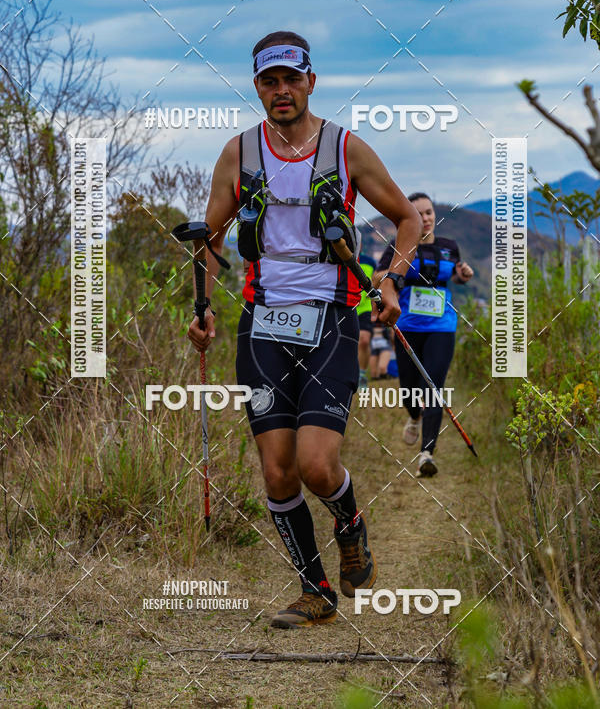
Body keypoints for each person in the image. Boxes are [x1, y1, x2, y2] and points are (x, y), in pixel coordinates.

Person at [187, 31, 422, 629]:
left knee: (318, 466)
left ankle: (349, 522)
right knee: (276, 470)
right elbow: (210, 243)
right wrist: (204, 307)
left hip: (333, 319)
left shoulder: (345, 149)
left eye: (292, 78)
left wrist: (390, 283)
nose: (282, 90)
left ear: (311, 81)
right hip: (262, 323)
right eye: (270, 81)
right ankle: (314, 590)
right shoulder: (239, 153)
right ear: (258, 87)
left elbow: (404, 220)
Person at [376, 192, 473, 477]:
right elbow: (376, 277)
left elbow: (455, 275)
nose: (426, 218)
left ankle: (426, 454)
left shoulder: (449, 247)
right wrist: (395, 273)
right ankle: (414, 416)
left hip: (442, 327)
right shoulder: (399, 245)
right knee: (409, 388)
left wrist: (462, 275)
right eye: (418, 214)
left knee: (432, 387)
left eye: (429, 212)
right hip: (407, 326)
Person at [356, 253, 377, 390]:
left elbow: (375, 281)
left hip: (365, 307)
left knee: (364, 340)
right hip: (345, 304)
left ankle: (362, 375)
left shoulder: (369, 261)